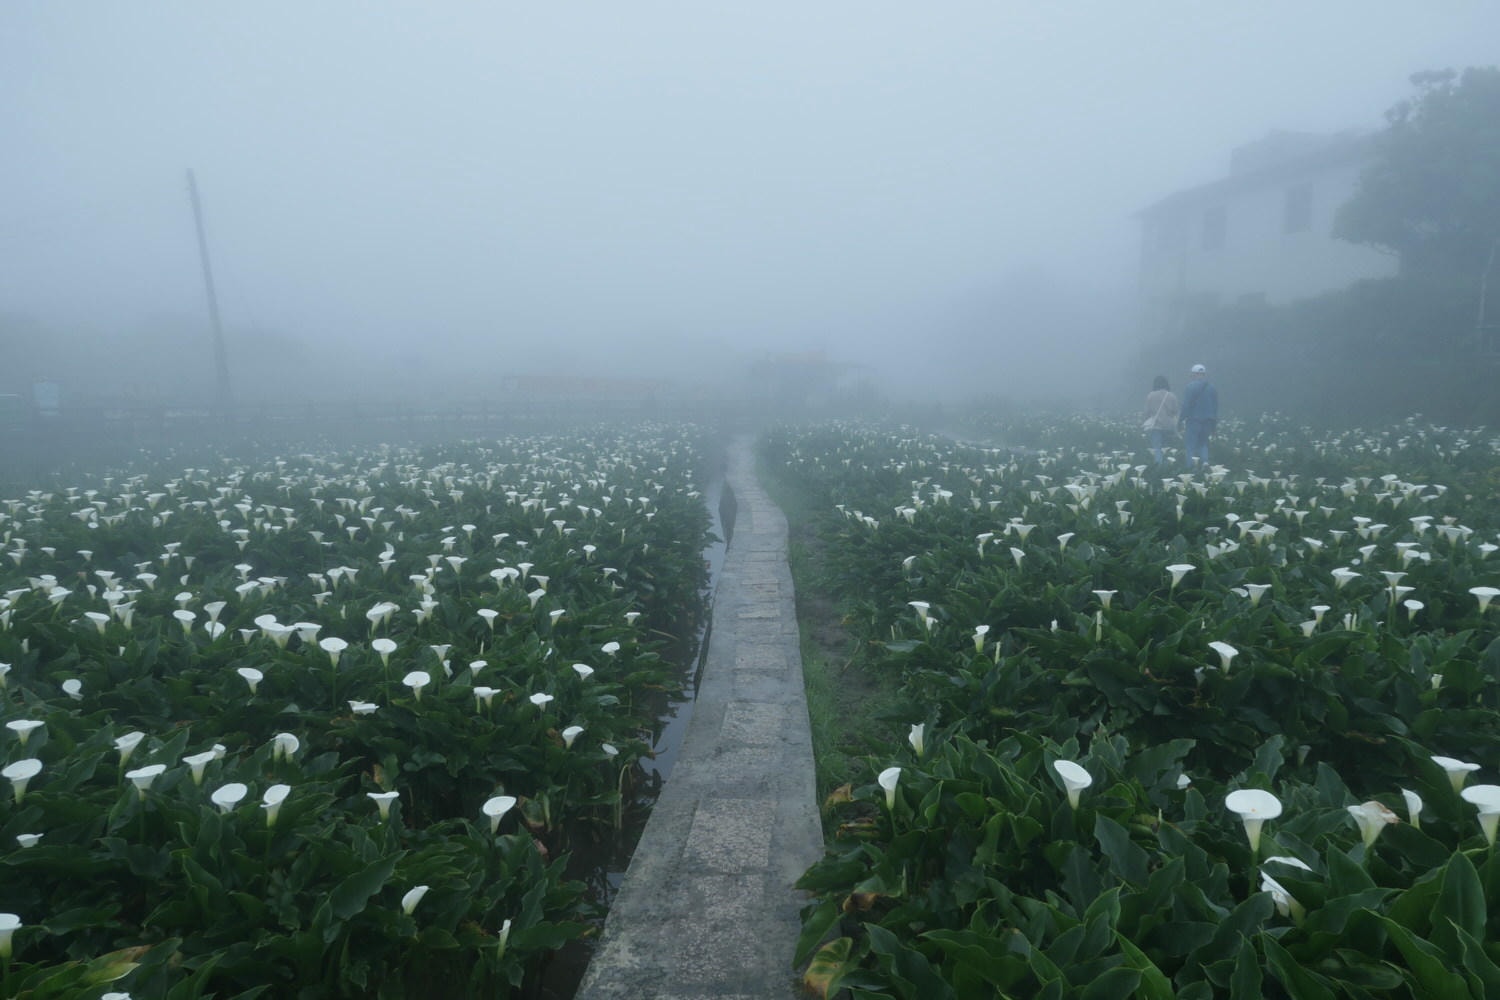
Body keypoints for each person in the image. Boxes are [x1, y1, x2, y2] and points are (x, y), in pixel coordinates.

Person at [1179, 363, 1218, 469]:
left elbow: (1186, 405)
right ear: (1203, 374)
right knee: (1203, 443)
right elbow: (1215, 407)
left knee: (1190, 446)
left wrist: (1180, 420)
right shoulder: (1212, 387)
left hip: (1193, 420)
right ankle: (1205, 462)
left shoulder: (1190, 387)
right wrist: (1214, 425)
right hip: (1209, 420)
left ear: (1193, 374)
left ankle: (1191, 468)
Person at [1143, 375, 1179, 464]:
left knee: (1157, 448)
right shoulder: (1171, 396)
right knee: (1166, 448)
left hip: (1156, 426)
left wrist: (1146, 420)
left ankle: (1159, 467)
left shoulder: (1151, 395)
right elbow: (1175, 411)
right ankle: (1167, 467)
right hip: (1168, 426)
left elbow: (1147, 412)